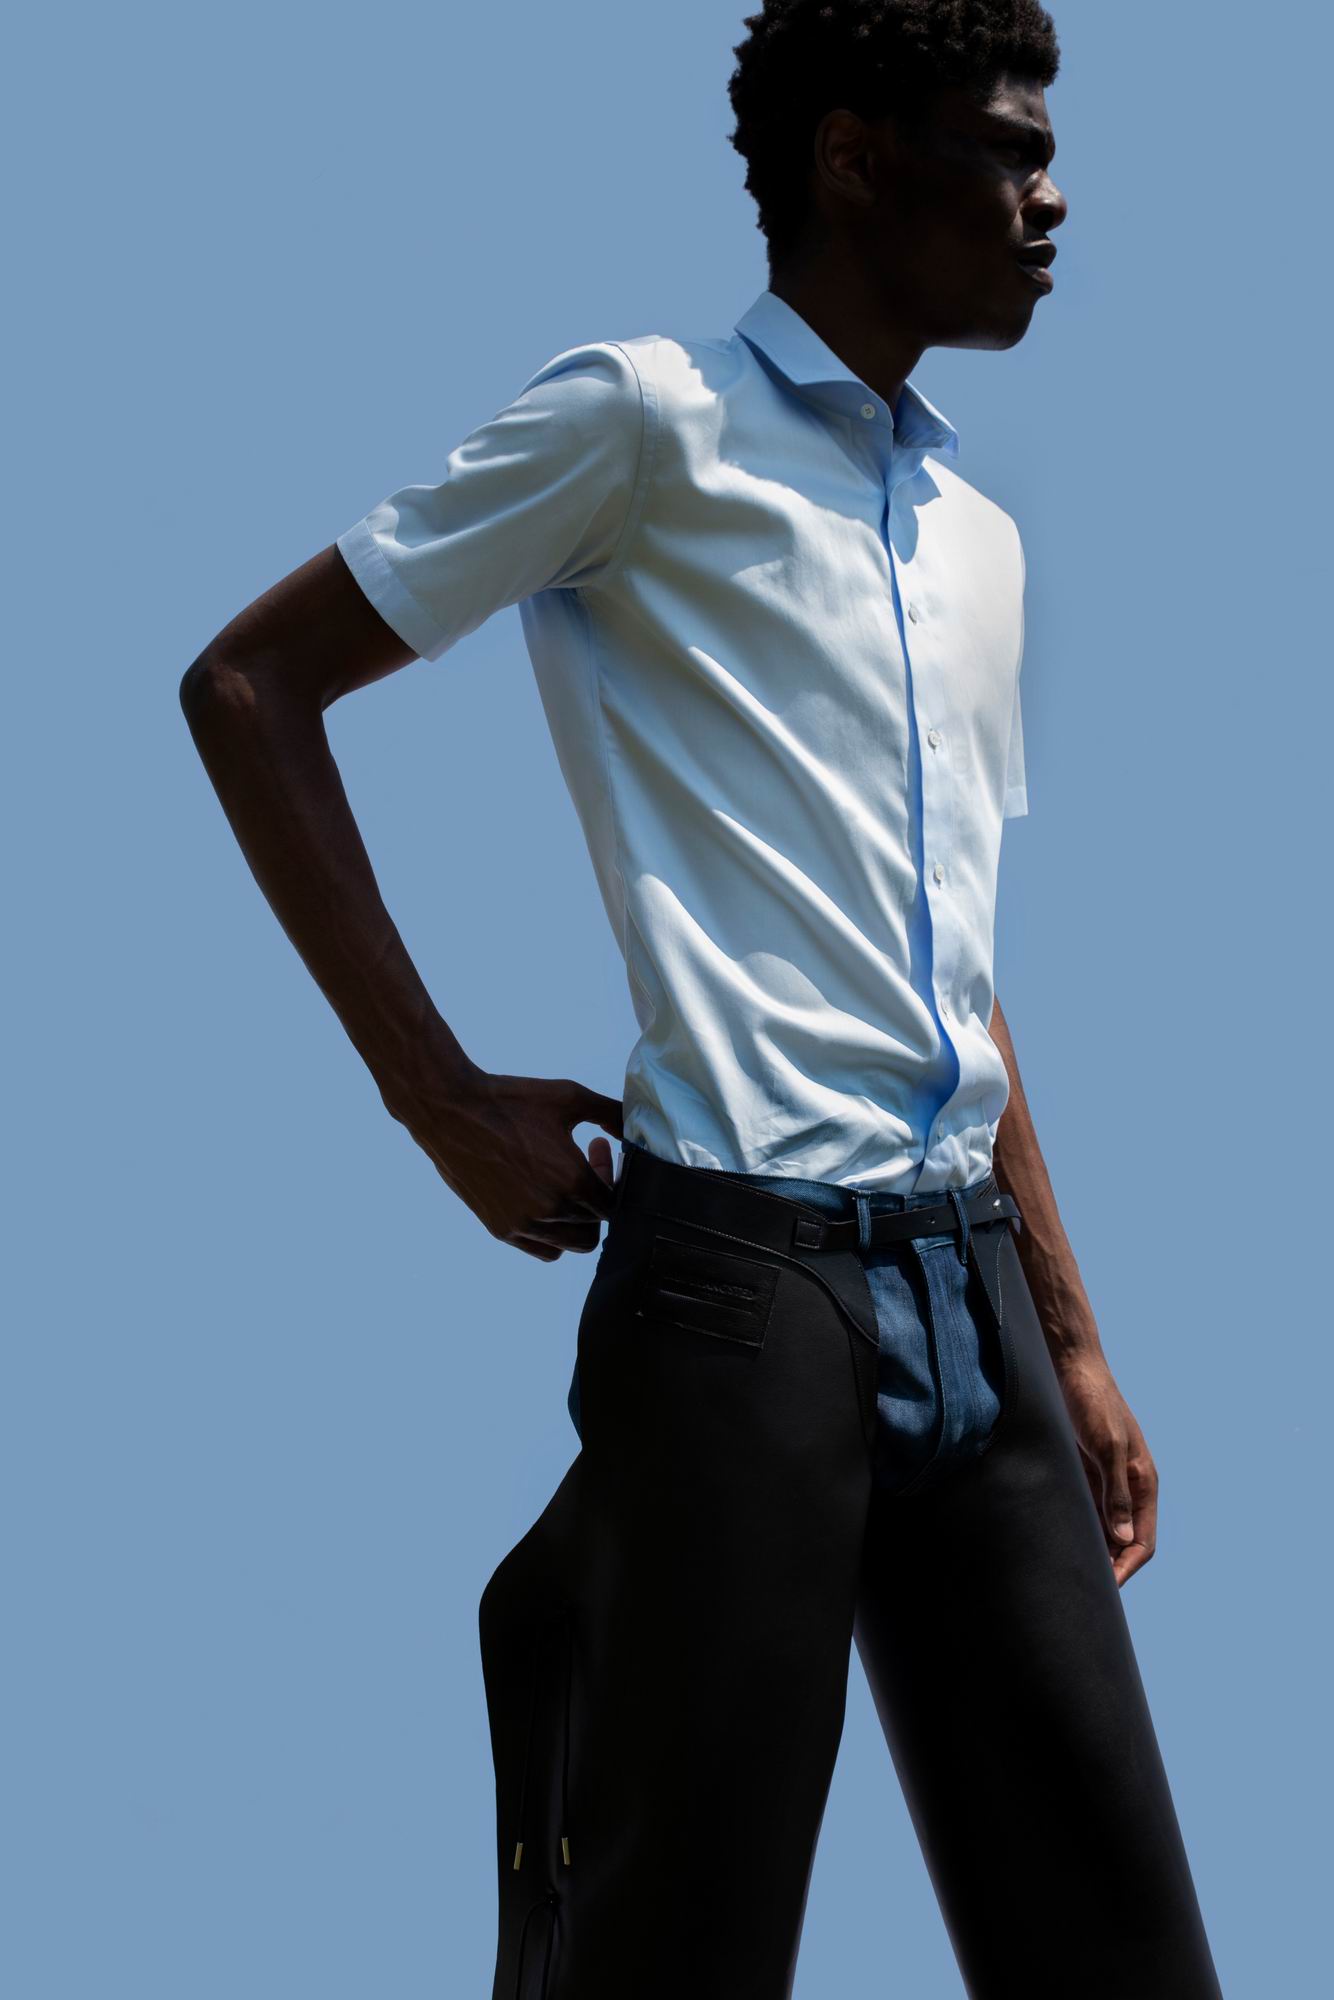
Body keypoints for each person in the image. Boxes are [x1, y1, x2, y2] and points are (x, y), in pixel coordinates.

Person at [179, 3, 1224, 1994]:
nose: (1048, 195)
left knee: (1124, 1957)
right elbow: (249, 687)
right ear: (854, 159)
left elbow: (953, 970)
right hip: (742, 1301)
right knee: (673, 1958)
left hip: (975, 1306)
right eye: (1006, 148)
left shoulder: (977, 542)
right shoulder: (647, 422)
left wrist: (1074, 1341)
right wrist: (434, 1095)